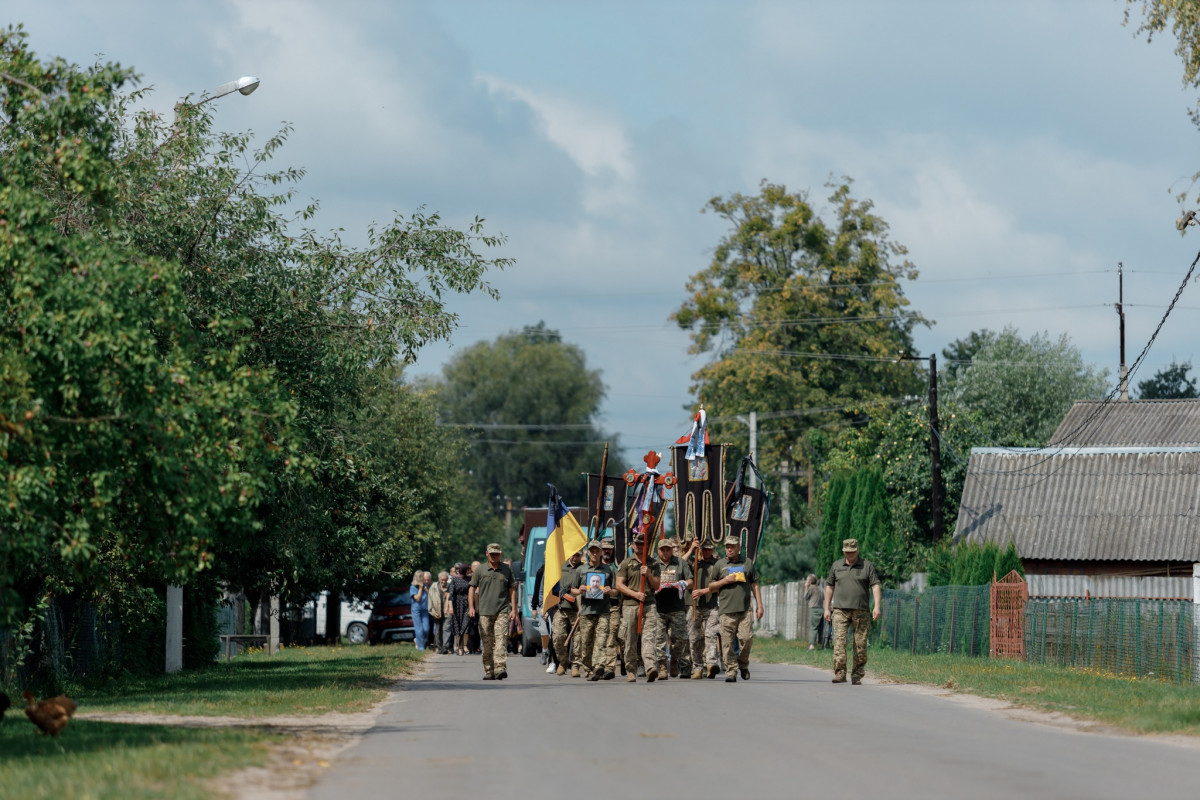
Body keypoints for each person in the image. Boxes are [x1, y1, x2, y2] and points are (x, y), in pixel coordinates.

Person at [702, 534, 762, 683]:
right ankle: (731, 670)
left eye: (732, 547)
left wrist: (760, 606)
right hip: (726, 611)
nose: (729, 549)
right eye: (727, 547)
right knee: (727, 644)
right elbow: (711, 586)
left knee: (747, 638)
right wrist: (724, 581)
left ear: (738, 548)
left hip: (744, 610)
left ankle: (743, 663)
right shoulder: (719, 565)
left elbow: (754, 584)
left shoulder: (747, 563)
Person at [823, 538, 882, 685]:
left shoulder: (867, 566)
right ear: (843, 551)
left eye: (853, 552)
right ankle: (840, 673)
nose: (850, 554)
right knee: (839, 642)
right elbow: (829, 587)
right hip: (840, 610)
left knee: (860, 644)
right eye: (847, 552)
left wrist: (877, 606)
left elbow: (875, 586)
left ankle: (857, 674)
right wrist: (826, 608)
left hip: (861, 610)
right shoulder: (836, 566)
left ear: (858, 550)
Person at [643, 538, 692, 682]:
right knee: (658, 640)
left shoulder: (680, 563)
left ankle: (674, 659)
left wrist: (681, 584)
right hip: (657, 607)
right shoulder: (652, 564)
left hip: (677, 607)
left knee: (681, 638)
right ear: (658, 550)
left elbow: (690, 581)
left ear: (672, 550)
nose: (665, 552)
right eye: (662, 549)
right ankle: (663, 667)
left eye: (668, 549)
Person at [567, 540, 617, 680]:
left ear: (601, 552)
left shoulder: (608, 570)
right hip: (586, 611)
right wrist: (580, 590)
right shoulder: (581, 570)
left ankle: (599, 665)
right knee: (586, 642)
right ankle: (589, 670)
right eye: (592, 551)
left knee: (601, 640)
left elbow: (616, 591)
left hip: (603, 611)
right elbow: (572, 590)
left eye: (597, 551)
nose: (594, 554)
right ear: (588, 553)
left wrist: (609, 591)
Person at [468, 543, 517, 680]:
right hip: (484, 612)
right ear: (487, 554)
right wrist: (471, 607)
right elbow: (472, 588)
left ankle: (500, 667)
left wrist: (514, 609)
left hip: (502, 610)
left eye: (497, 553)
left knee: (501, 640)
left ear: (500, 554)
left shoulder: (506, 569)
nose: (495, 556)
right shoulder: (480, 570)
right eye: (492, 554)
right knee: (487, 642)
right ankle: (489, 669)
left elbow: (512, 589)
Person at [614, 533, 649, 682]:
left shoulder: (651, 563)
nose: (639, 546)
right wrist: (635, 594)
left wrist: (648, 575)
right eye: (637, 543)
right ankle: (631, 670)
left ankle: (649, 667)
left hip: (648, 605)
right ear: (633, 545)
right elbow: (619, 585)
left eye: (642, 543)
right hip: (629, 605)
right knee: (629, 640)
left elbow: (656, 585)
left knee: (647, 638)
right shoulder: (626, 563)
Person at [688, 540, 721, 679]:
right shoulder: (694, 563)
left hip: (712, 605)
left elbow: (721, 584)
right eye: (704, 549)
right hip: (695, 605)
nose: (707, 551)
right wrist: (691, 549)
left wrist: (704, 591)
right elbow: (679, 564)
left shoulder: (718, 565)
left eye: (709, 549)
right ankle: (697, 667)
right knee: (694, 638)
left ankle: (711, 665)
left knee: (710, 635)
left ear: (713, 549)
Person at [551, 548, 583, 676]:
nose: (575, 558)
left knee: (578, 639)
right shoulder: (560, 567)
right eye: (573, 555)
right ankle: (562, 662)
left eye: (578, 555)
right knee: (558, 636)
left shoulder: (583, 569)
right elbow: (552, 585)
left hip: (578, 610)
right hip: (561, 607)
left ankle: (575, 665)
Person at [600, 539, 622, 676]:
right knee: (599, 638)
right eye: (604, 548)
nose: (607, 551)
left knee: (611, 638)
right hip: (596, 608)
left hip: (613, 607)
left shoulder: (616, 569)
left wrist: (611, 591)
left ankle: (610, 668)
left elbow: (618, 590)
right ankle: (598, 665)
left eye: (609, 548)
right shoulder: (594, 569)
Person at [447, 563, 472, 656]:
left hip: (467, 604)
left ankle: (462, 646)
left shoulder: (469, 579)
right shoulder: (455, 579)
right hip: (457, 604)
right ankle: (460, 647)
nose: (470, 571)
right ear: (464, 570)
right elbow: (451, 594)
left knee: (465, 625)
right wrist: (450, 607)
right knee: (458, 626)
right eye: (468, 570)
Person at [428, 571, 449, 654]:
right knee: (438, 630)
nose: (444, 581)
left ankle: (445, 647)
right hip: (437, 612)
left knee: (446, 629)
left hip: (447, 613)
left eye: (445, 580)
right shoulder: (433, 587)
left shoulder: (450, 586)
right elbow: (430, 601)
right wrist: (433, 612)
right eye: (442, 580)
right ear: (439, 579)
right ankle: (440, 647)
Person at [409, 571, 430, 651]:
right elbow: (417, 599)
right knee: (419, 629)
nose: (423, 579)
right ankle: (421, 648)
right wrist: (421, 589)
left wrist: (425, 589)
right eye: (421, 577)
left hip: (425, 610)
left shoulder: (426, 586)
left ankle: (418, 640)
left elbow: (431, 595)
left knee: (426, 628)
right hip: (416, 610)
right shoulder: (413, 587)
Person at [803, 574, 823, 651]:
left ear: (810, 581)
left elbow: (805, 597)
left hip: (814, 610)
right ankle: (821, 645)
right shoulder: (820, 589)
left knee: (813, 628)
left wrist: (806, 587)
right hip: (821, 609)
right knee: (820, 628)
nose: (806, 581)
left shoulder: (811, 588)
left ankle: (812, 645)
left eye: (807, 580)